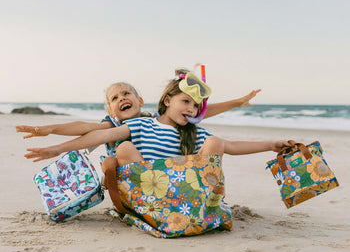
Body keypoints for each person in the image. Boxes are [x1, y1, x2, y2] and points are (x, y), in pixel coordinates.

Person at [22, 70, 291, 164]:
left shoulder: (191, 132)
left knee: (216, 144)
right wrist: (54, 144)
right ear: (167, 101)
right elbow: (97, 133)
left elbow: (231, 146)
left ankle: (203, 197)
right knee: (124, 147)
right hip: (147, 188)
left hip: (186, 190)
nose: (192, 109)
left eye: (196, 107)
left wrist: (270, 145)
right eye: (186, 101)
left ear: (140, 101)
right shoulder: (138, 125)